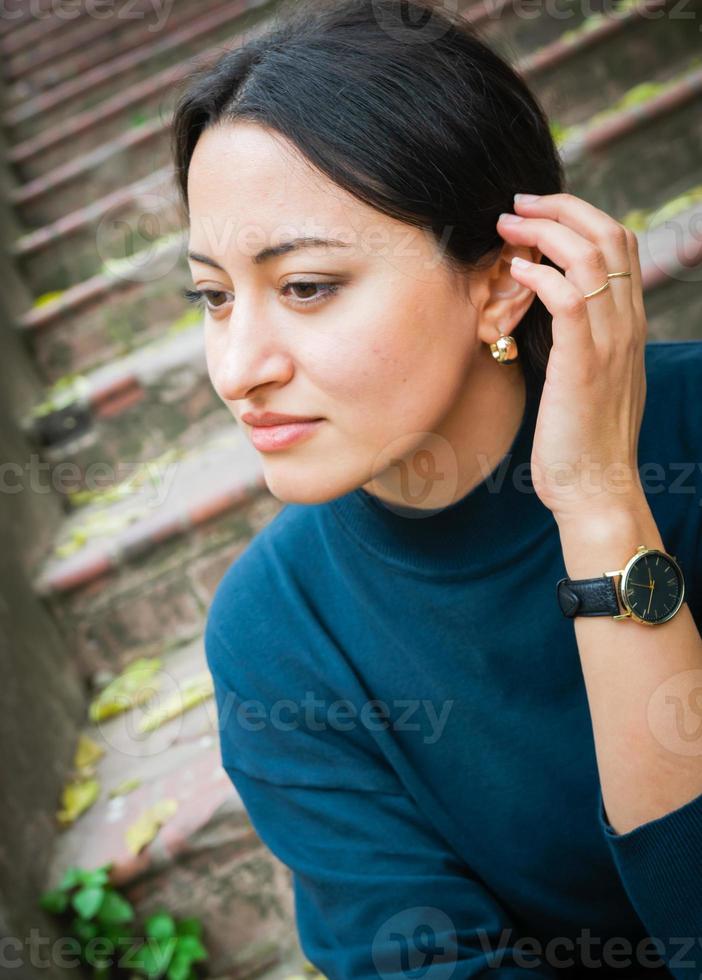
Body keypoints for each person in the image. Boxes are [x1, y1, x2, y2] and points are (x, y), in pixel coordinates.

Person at [171, 1, 702, 976]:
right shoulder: (278, 631)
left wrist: (600, 505)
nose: (236, 366)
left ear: (502, 281)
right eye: (212, 294)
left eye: (306, 286)